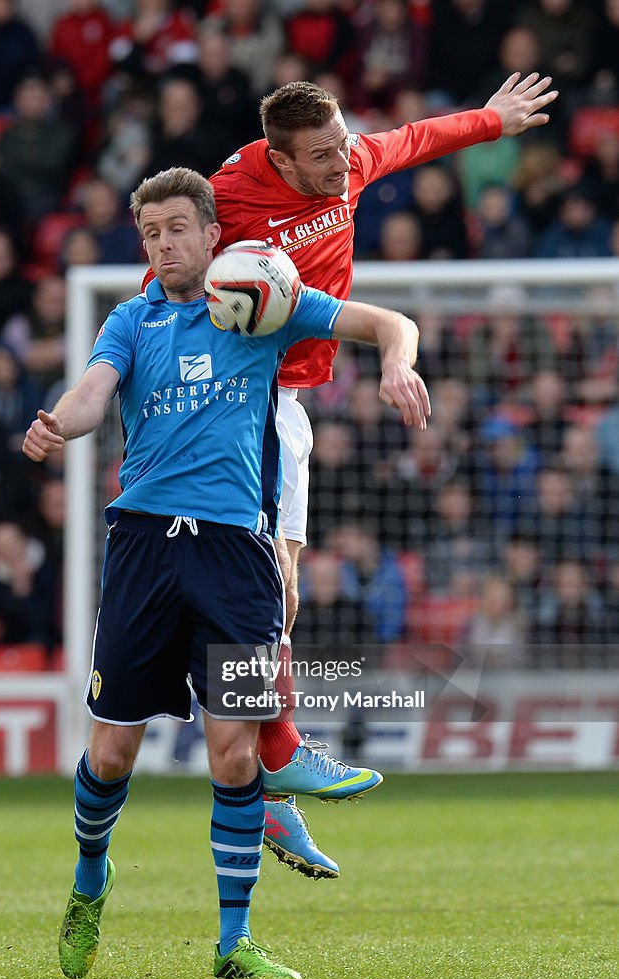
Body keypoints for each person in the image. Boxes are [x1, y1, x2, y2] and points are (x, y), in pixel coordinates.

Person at [22, 166, 429, 979]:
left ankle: (233, 941)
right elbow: (94, 394)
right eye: (151, 233)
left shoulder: (264, 300)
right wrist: (56, 423)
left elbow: (390, 321)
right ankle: (89, 878)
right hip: (144, 549)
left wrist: (395, 363)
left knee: (235, 753)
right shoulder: (131, 321)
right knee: (111, 752)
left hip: (234, 557)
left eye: (178, 228)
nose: (164, 244)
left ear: (214, 235)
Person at [163, 72, 558, 877]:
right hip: (243, 401)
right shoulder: (228, 198)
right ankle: (281, 759)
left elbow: (414, 139)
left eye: (344, 145)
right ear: (278, 156)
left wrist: (493, 119)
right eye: (320, 156)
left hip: (294, 404)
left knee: (283, 597)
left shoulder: (347, 156)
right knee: (257, 597)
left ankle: (271, 793)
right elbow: (161, 285)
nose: (343, 165)